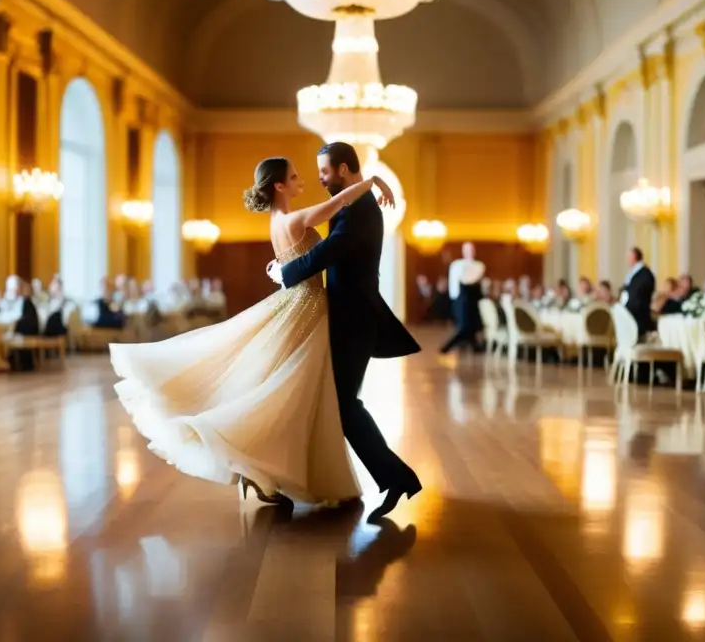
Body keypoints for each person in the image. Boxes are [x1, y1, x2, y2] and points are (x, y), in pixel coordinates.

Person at [110, 151, 406, 520]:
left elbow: (326, 230)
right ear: (280, 185)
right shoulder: (296, 217)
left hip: (304, 307)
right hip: (306, 308)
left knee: (286, 392)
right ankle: (259, 468)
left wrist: (371, 184)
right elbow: (335, 209)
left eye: (315, 173)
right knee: (287, 393)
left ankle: (260, 470)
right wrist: (374, 182)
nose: (306, 180)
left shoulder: (278, 219)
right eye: (297, 176)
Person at [268, 143, 422, 521]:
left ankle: (396, 477)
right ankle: (305, 479)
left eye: (324, 171)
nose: (319, 178)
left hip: (355, 321)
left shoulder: (359, 211)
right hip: (346, 318)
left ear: (342, 169)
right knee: (336, 403)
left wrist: (283, 273)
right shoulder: (354, 205)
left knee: (343, 405)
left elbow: (324, 256)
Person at [440, 242, 485, 353]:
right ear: (463, 251)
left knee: (470, 325)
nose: (469, 252)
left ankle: (473, 346)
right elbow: (454, 283)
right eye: (466, 249)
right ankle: (448, 347)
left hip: (473, 298)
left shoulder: (479, 265)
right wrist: (454, 300)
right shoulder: (456, 264)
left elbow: (470, 279)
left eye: (471, 249)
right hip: (460, 299)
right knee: (464, 326)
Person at [621, 247, 656, 336]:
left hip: (638, 314)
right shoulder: (634, 273)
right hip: (630, 312)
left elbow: (637, 294)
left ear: (633, 257)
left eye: (629, 257)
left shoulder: (645, 274)